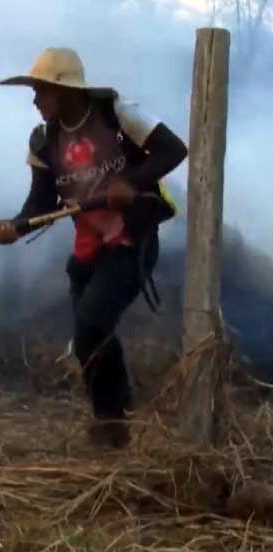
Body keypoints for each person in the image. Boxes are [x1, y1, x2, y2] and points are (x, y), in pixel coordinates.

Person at [0, 48, 187, 446]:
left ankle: (112, 420)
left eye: (41, 91)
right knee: (88, 339)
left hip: (131, 241)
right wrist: (15, 226)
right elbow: (41, 202)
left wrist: (130, 183)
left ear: (65, 90)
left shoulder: (116, 116)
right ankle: (113, 422)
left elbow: (174, 150)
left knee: (91, 322)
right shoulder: (44, 141)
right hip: (89, 247)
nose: (35, 101)